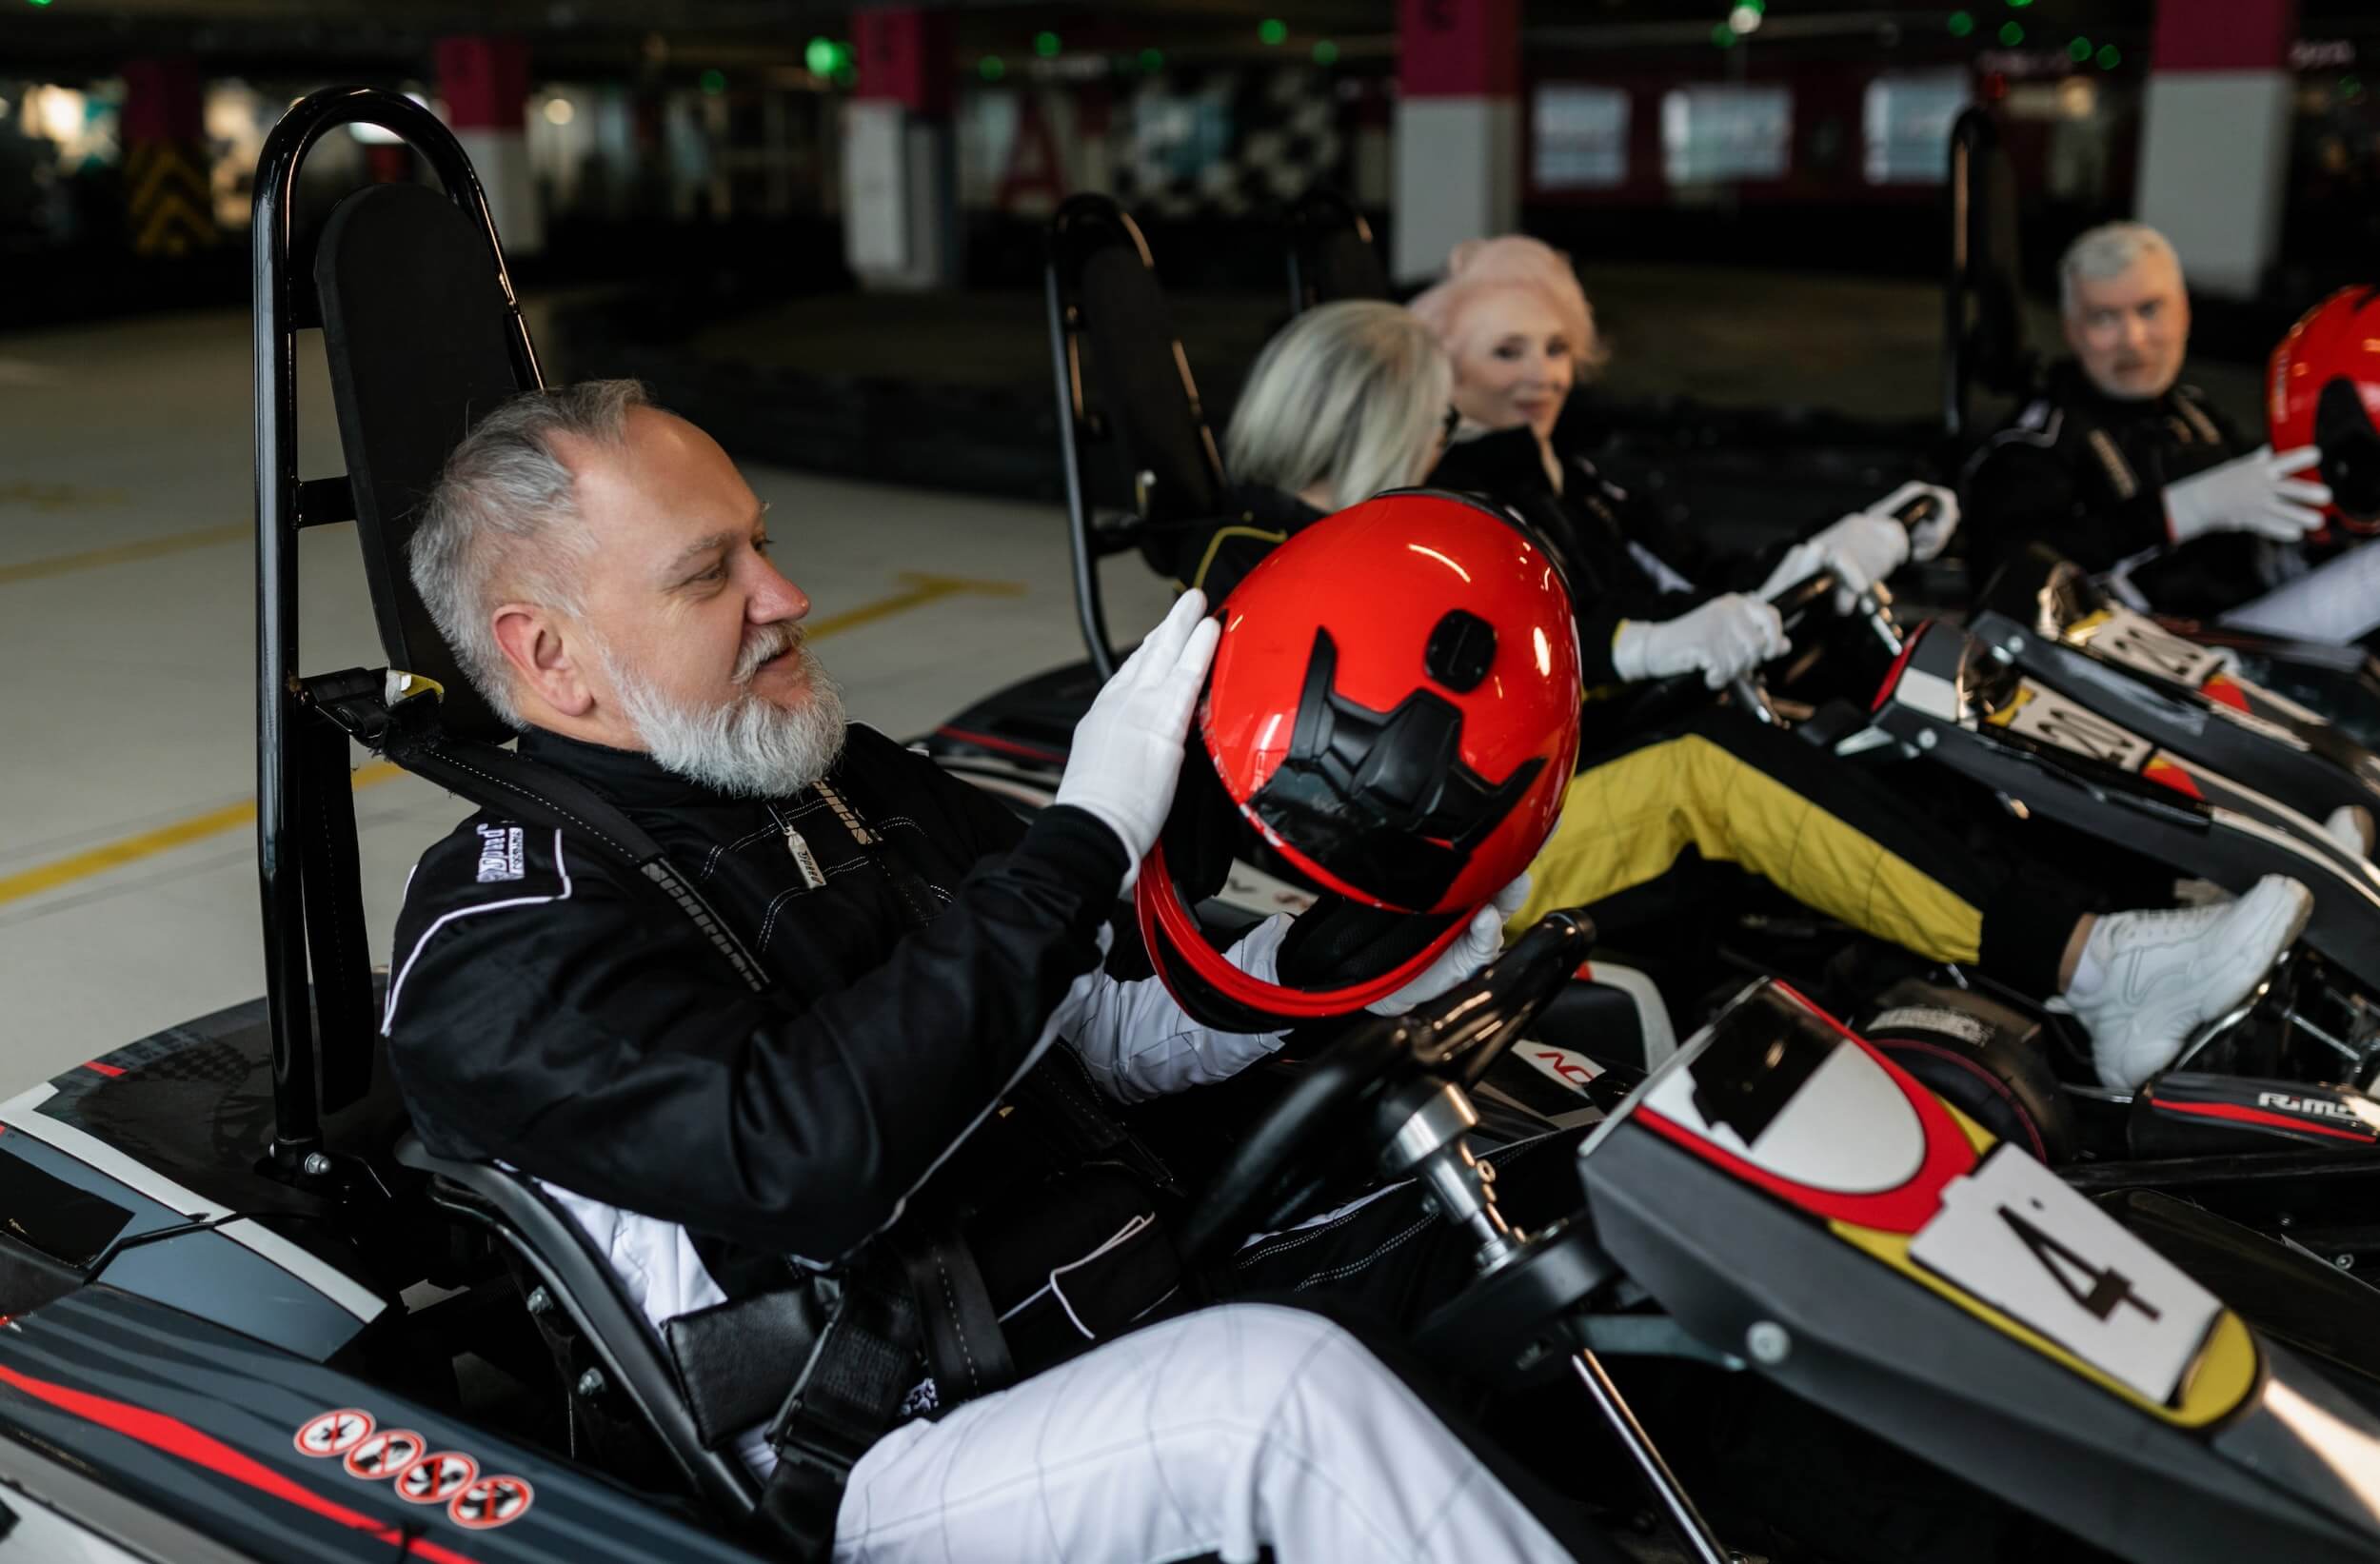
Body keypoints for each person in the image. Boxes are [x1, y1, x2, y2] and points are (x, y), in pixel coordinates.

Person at [382, 381, 1604, 1564]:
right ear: (549, 656)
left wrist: (1325, 965)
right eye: (712, 574)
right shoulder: (500, 934)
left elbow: (1082, 1029)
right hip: (877, 1441)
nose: (785, 594)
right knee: (1278, 1406)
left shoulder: (840, 781)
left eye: (763, 542)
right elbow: (804, 1152)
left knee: (1550, 1209)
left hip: (1102, 1281)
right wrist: (1079, 845)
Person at [1213, 298, 2312, 1092]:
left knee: (1786, 716)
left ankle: (2110, 924)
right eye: (1434, 425)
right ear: (1370, 421)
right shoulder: (1272, 552)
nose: (1447, 447)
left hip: (1443, 825)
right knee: (1706, 766)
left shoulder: (1344, 536)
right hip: (1380, 880)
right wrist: (1641, 649)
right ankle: (2095, 968)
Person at [1409, 237, 1955, 701]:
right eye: (1508, 353)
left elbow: (1698, 574)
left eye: (1557, 350)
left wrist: (1835, 538)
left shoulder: (1573, 479)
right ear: (1448, 374)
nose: (1544, 376)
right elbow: (1554, 644)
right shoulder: (1459, 509)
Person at [1961, 221, 2330, 618]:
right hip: (2138, 659)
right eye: (2104, 318)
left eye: (2150, 310)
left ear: (2184, 313)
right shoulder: (2034, 444)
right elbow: (2005, 568)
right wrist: (2181, 511)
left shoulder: (2194, 412)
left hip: (2247, 635)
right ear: (2071, 330)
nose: (2133, 339)